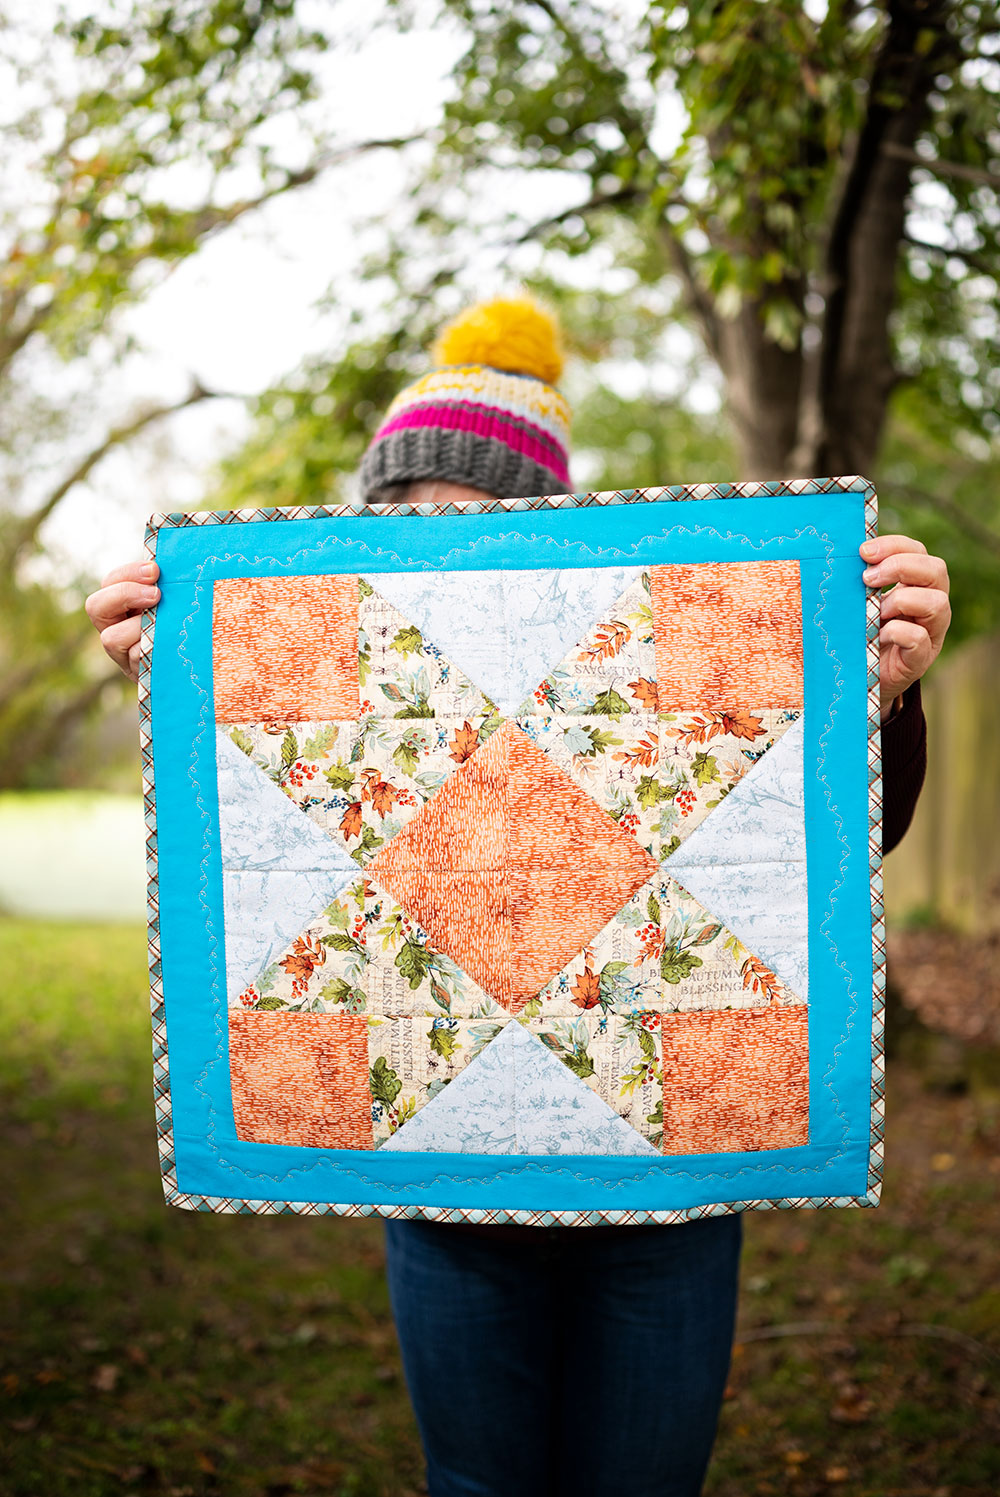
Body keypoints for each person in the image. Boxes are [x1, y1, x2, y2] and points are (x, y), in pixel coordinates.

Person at [86, 297, 948, 1497]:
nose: (438, 543)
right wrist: (177, 676)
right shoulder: (362, 682)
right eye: (405, 521)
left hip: (662, 1195)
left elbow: (823, 839)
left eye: (472, 518)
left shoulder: (652, 650)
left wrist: (886, 691)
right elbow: (247, 838)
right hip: (445, 1195)